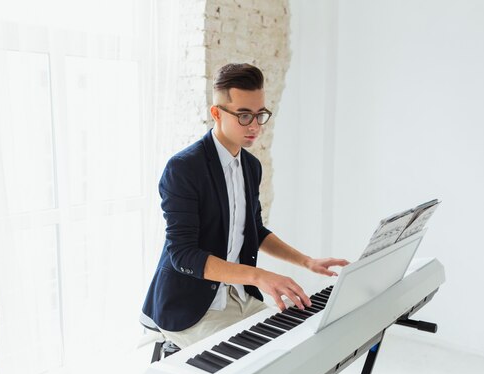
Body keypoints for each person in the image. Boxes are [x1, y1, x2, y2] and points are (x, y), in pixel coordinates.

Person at [141, 63, 349, 350]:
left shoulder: (250, 166)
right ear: (216, 113)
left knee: (297, 346)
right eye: (244, 115)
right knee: (257, 367)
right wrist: (259, 276)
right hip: (188, 307)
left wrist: (307, 262)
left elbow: (254, 230)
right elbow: (183, 255)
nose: (254, 125)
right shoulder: (183, 169)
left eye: (260, 115)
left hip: (239, 296)